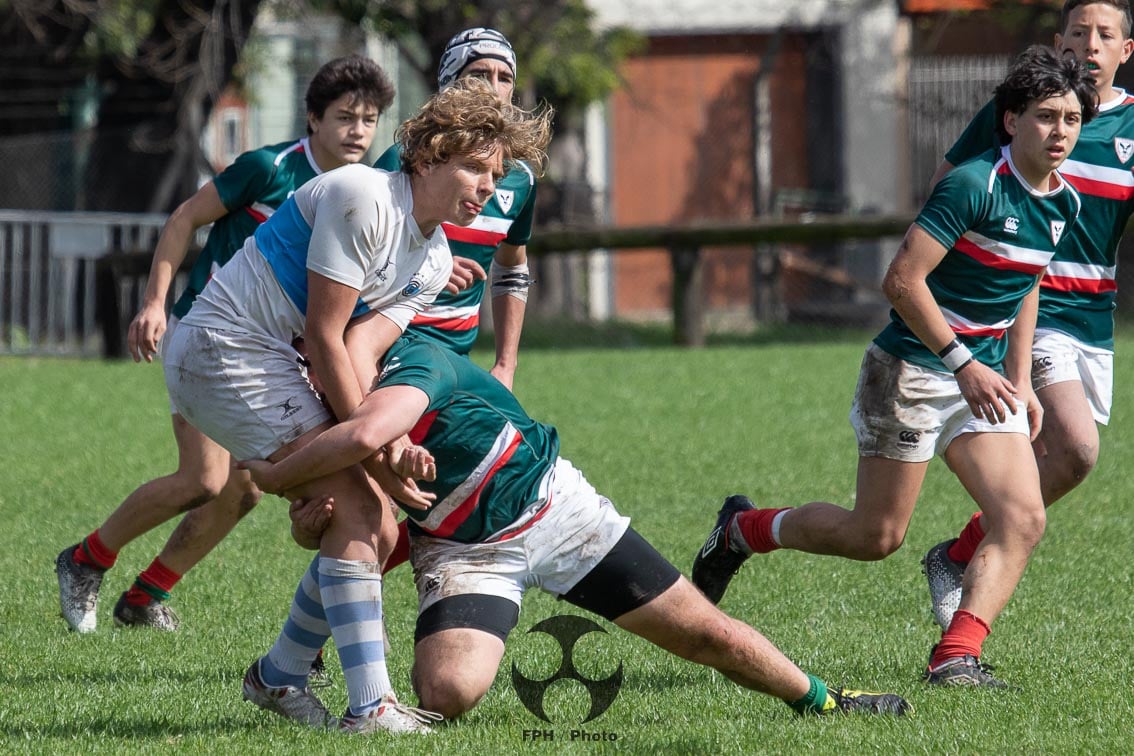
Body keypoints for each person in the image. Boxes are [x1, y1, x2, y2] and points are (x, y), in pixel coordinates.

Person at [239, 332, 912, 724]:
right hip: (464, 548)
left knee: (707, 633)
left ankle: (826, 702)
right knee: (448, 692)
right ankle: (281, 672)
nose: (316, 364)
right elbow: (331, 527)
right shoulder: (316, 417)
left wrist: (303, 468)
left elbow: (376, 429)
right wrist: (311, 518)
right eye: (305, 354)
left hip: (559, 514)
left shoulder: (417, 357)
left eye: (321, 344)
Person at [690, 45, 1097, 688]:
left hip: (982, 381)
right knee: (874, 536)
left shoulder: (1065, 201)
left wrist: (1019, 378)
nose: (1061, 131)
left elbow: (1026, 285)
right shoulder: (972, 185)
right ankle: (742, 529)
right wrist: (963, 362)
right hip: (911, 370)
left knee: (1022, 516)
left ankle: (955, 656)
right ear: (1012, 119)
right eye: (1047, 116)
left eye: (1072, 119)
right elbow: (902, 282)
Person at [163, 77, 554, 735]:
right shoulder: (363, 197)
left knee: (377, 524)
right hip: (221, 352)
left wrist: (384, 447)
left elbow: (359, 349)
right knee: (364, 505)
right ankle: (369, 707)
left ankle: (281, 676)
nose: (489, 189)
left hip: (269, 363)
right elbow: (323, 335)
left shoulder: (432, 259)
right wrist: (377, 452)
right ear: (430, 155)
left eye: (497, 175)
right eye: (476, 168)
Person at [55, 55, 395, 633]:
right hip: (212, 338)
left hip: (276, 354)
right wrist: (156, 303)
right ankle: (85, 560)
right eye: (344, 117)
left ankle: (144, 597)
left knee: (240, 491)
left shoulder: (367, 194)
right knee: (205, 480)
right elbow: (185, 218)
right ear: (312, 118)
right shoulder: (270, 169)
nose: (358, 131)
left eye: (368, 119)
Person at [920, 0, 1134, 631]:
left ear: (1127, 51)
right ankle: (961, 640)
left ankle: (957, 554)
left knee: (1067, 460)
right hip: (1031, 311)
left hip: (1095, 318)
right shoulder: (1023, 112)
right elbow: (950, 183)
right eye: (1077, 31)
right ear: (1059, 39)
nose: (1089, 44)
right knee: (1077, 443)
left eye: (1105, 35)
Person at [373, 27, 537, 576]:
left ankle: (303, 643)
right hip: (391, 348)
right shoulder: (402, 164)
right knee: (398, 503)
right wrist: (422, 270)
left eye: (505, 77)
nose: (494, 88)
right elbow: (358, 270)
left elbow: (512, 270)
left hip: (457, 361)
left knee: (495, 474)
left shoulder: (520, 180)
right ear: (447, 84)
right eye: (478, 74)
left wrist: (507, 364)